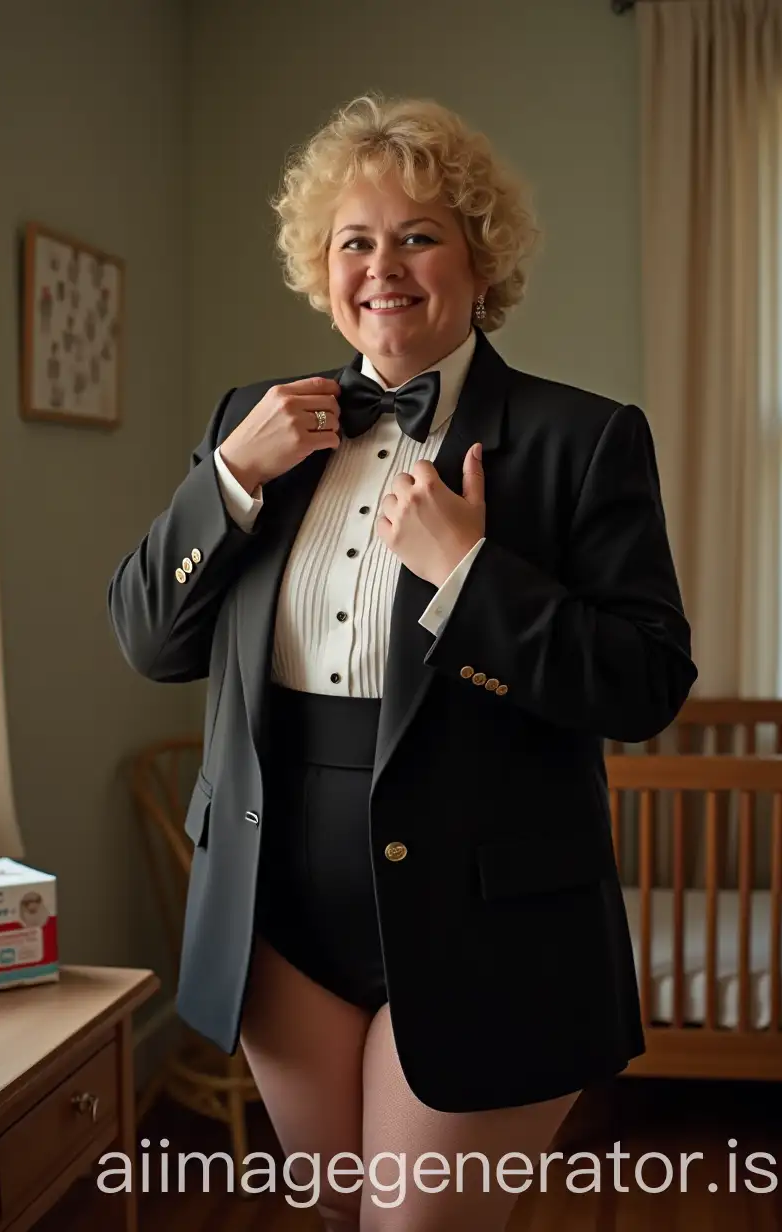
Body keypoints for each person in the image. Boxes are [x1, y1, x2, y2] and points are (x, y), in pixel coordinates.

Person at [107, 93, 697, 1231]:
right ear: (321, 266)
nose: (383, 267)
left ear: (482, 263)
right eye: (354, 240)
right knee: (342, 1215)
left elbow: (644, 681)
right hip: (280, 915)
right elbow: (148, 637)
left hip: (492, 922)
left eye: (419, 234)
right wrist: (225, 479)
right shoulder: (256, 421)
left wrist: (477, 576)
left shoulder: (585, 438)